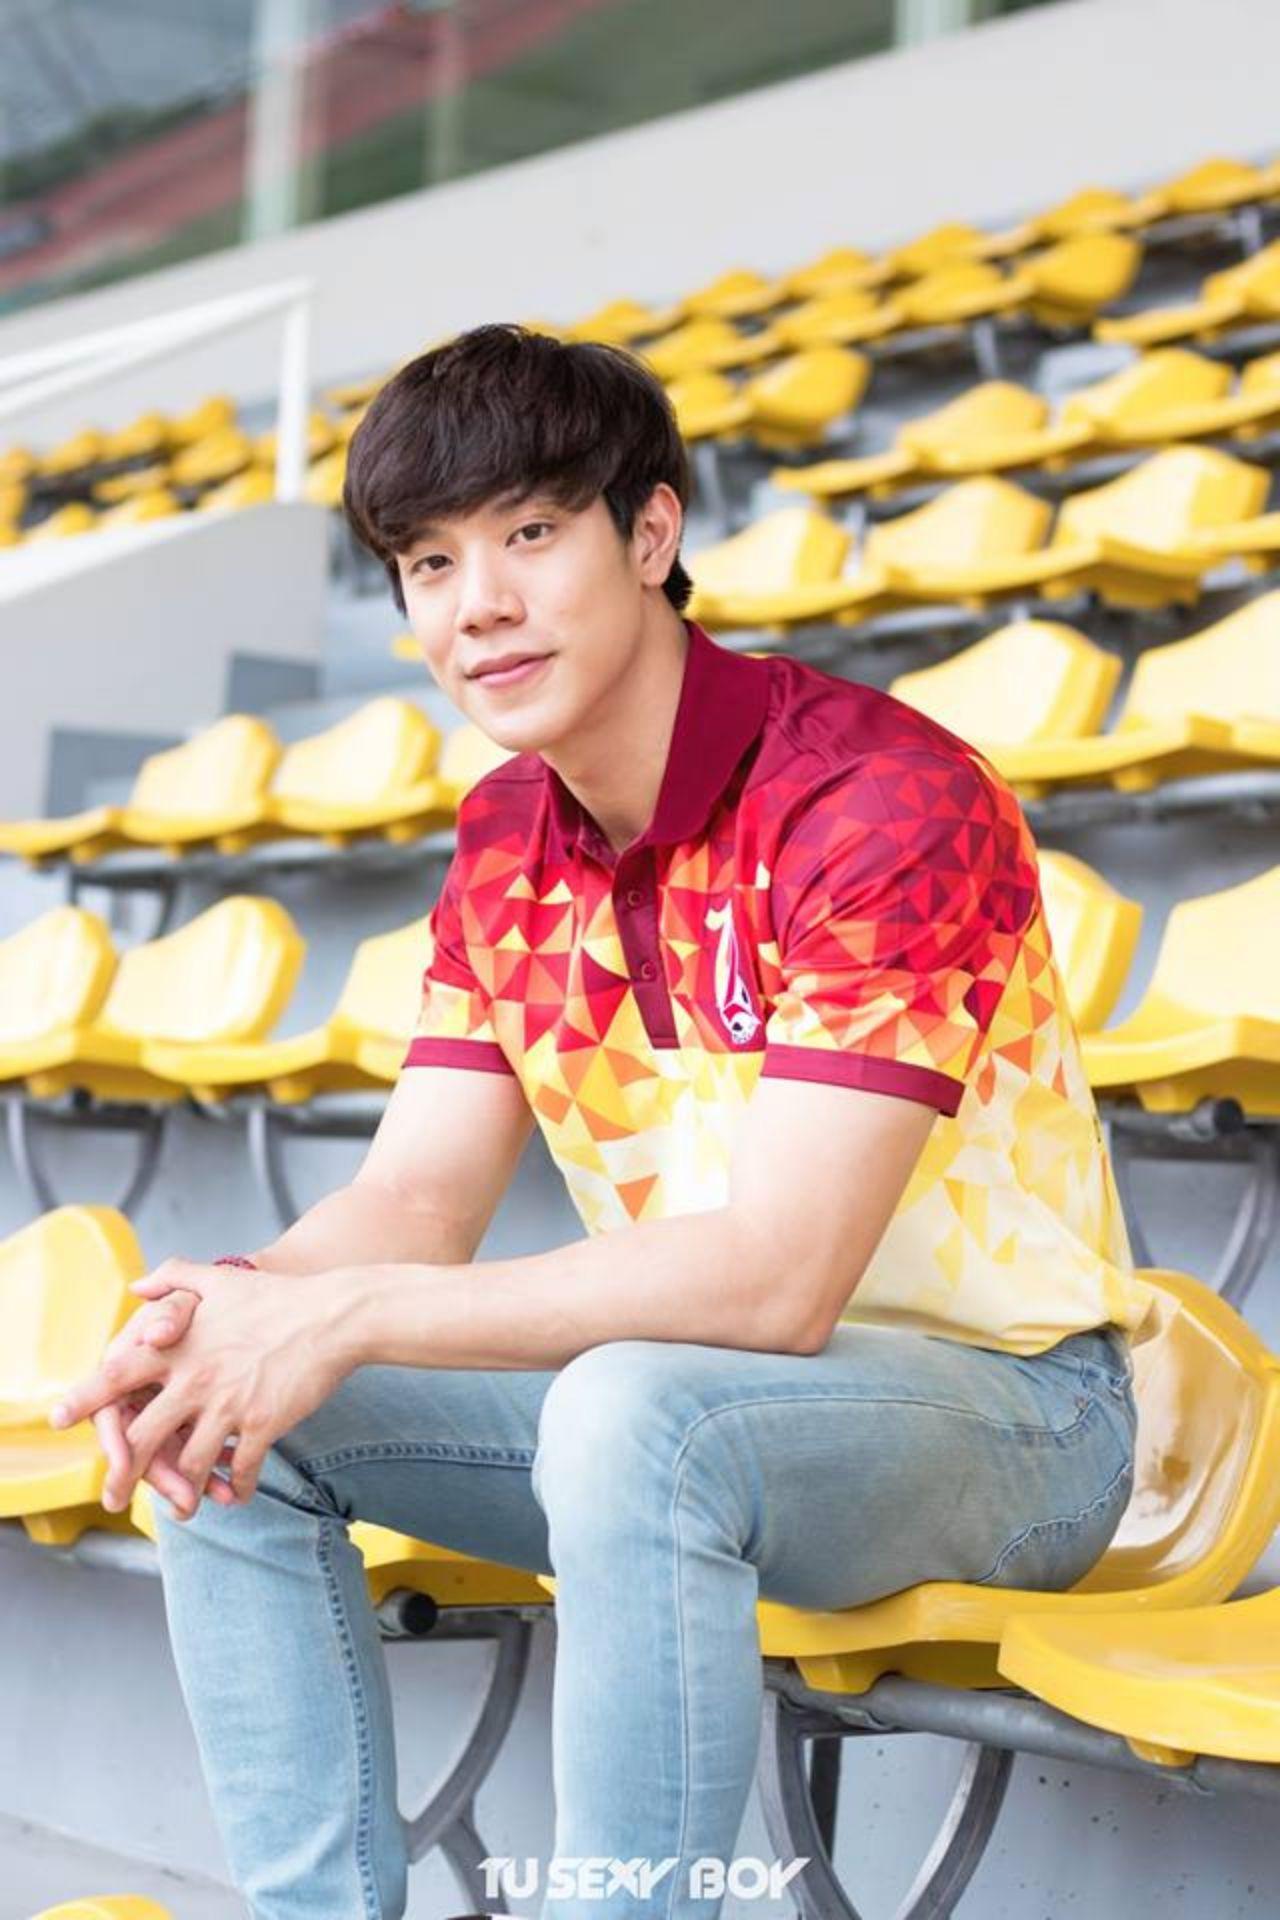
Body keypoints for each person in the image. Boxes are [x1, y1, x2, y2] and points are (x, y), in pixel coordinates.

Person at [52, 323, 1155, 1920]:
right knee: (227, 1409)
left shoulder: (881, 800)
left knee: (634, 1410)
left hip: (1020, 1419)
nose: (477, 605)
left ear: (650, 534)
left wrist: (351, 1315)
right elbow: (417, 1200)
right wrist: (232, 1306)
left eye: (528, 533)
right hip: (690, 1410)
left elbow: (779, 1280)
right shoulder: (507, 837)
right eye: (430, 564)